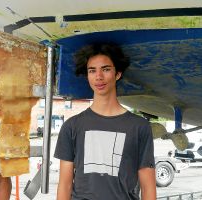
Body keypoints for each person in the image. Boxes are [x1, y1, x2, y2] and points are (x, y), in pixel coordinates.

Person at [54, 44, 156, 200]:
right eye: (92, 71)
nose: (98, 76)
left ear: (118, 74)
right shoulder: (72, 126)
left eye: (106, 69)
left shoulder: (140, 127)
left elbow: (148, 187)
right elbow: (65, 185)